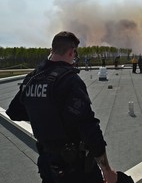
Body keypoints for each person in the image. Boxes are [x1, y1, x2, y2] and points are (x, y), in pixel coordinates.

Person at [6, 31, 118, 183]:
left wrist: (44, 113)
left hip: (47, 164)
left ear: (52, 50)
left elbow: (14, 112)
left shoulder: (32, 77)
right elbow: (89, 128)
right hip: (75, 169)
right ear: (71, 52)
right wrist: (107, 170)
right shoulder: (69, 80)